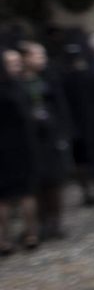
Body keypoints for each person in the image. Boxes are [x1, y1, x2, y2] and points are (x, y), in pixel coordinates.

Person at [16, 41, 75, 242]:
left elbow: (61, 106)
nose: (42, 60)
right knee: (36, 181)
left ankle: (54, 222)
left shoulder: (49, 77)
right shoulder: (16, 81)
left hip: (51, 136)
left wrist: (63, 132)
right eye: (37, 56)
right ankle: (39, 223)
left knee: (54, 179)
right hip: (29, 140)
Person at [0, 49, 39, 253]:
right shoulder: (18, 87)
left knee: (4, 197)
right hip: (20, 145)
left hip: (6, 147)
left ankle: (4, 239)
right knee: (25, 193)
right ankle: (31, 234)